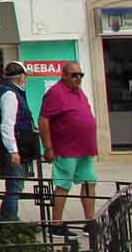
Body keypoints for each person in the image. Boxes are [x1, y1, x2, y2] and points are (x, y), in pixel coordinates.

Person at [40, 65, 101, 225]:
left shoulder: (79, 91)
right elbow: (43, 120)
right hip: (66, 148)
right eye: (74, 75)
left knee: (89, 182)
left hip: (85, 148)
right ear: (64, 75)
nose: (78, 78)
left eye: (81, 75)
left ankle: (89, 221)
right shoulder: (55, 92)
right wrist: (48, 147)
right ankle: (56, 223)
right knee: (63, 185)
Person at [0, 63, 36, 221]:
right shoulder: (10, 94)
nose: (26, 78)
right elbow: (7, 124)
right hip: (12, 147)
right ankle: (9, 222)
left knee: (14, 186)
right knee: (15, 186)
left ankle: (5, 219)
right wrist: (13, 151)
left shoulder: (12, 92)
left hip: (16, 145)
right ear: (21, 76)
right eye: (25, 75)